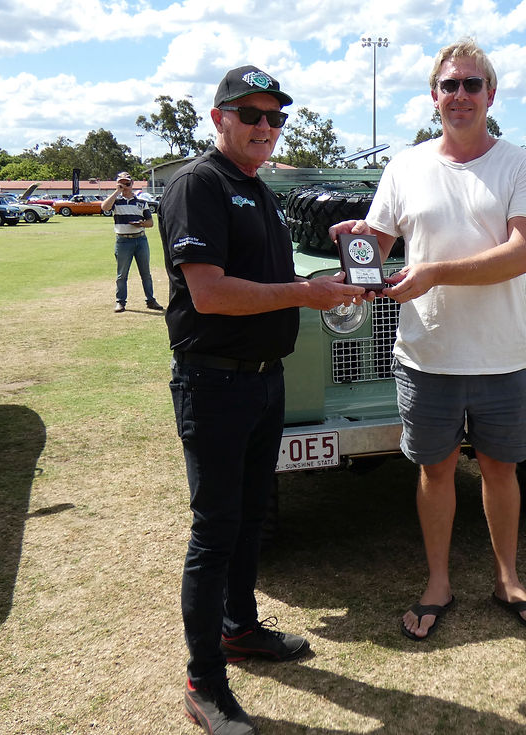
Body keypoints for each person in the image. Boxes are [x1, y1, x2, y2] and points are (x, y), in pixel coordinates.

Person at [157, 65, 366, 735]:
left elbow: (272, 279)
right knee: (215, 529)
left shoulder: (260, 190)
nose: (266, 128)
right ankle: (204, 681)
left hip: (262, 379)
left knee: (249, 519)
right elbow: (211, 292)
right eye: (251, 114)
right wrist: (304, 295)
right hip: (214, 381)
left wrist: (325, 279)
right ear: (219, 118)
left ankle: (240, 628)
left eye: (276, 117)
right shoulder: (199, 185)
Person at [330, 38, 526, 642]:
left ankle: (508, 579)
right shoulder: (404, 166)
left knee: (499, 472)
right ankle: (438, 583)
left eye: (472, 85)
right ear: (434, 96)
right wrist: (356, 247)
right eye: (449, 85)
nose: (460, 95)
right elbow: (377, 246)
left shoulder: (521, 165)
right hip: (425, 355)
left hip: (505, 356)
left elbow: (520, 255)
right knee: (434, 473)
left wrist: (431, 272)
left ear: (491, 94)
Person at [100, 172, 164, 313]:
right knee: (122, 274)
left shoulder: (141, 202)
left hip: (140, 239)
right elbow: (104, 207)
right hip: (123, 241)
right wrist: (117, 191)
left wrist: (141, 223)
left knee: (145, 273)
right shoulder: (115, 201)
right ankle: (120, 302)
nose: (125, 186)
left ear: (132, 184)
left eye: (127, 183)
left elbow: (150, 222)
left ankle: (151, 300)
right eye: (122, 183)